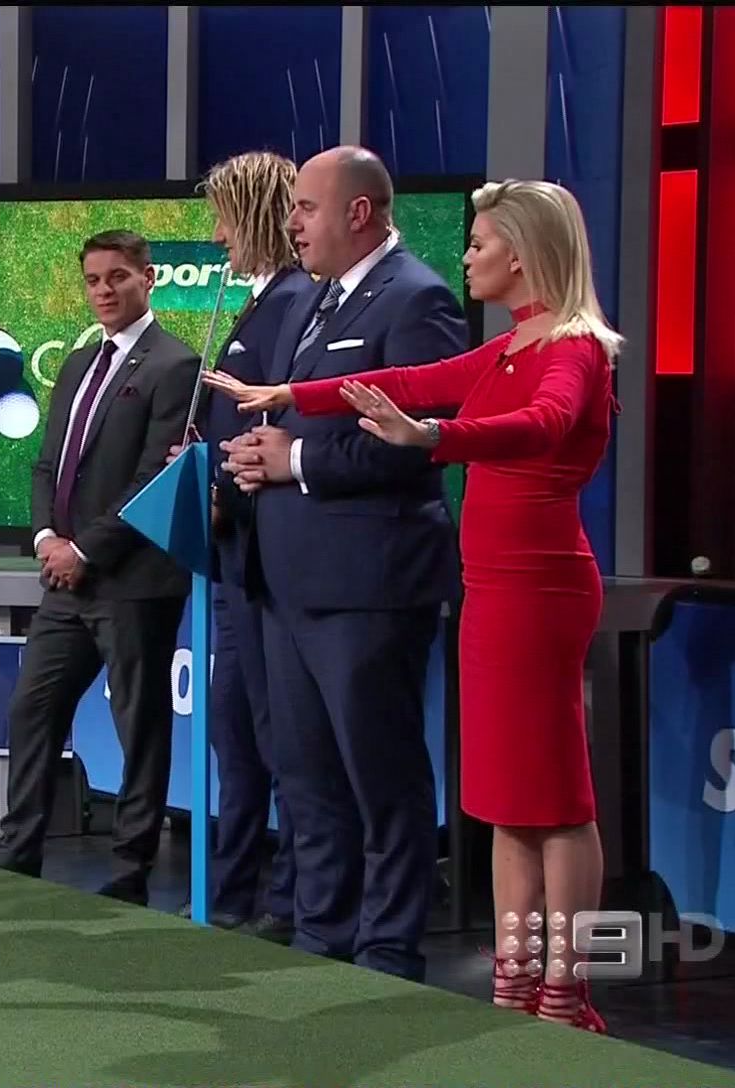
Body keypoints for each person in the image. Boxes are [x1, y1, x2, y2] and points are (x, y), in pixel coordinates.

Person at [205, 179, 620, 1031]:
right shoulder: (506, 346)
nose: (466, 257)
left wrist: (435, 437)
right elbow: (408, 378)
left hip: (541, 590)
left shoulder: (574, 347)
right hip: (491, 588)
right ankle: (514, 983)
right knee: (506, 800)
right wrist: (292, 396)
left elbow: (543, 426)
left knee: (555, 797)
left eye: (481, 243)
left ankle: (566, 990)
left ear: (523, 254)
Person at [218, 146, 467, 981]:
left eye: (305, 207)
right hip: (288, 583)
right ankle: (322, 938)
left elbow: (417, 442)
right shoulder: (316, 300)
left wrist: (294, 462)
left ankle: (388, 949)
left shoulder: (419, 299)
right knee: (307, 776)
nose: (291, 223)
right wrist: (259, 455)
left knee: (380, 776)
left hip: (368, 585)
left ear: (359, 213)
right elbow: (302, 421)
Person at [0, 230, 200, 905]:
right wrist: (46, 539)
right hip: (63, 582)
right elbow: (47, 465)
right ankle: (17, 851)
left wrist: (85, 550)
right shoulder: (79, 364)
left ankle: (130, 867)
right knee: (32, 709)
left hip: (132, 582)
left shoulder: (176, 364)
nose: (105, 291)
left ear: (148, 278)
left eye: (118, 276)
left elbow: (151, 480)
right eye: (93, 280)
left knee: (139, 726)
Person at [170, 151, 319, 938]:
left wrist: (225, 488)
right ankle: (231, 895)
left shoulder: (292, 303)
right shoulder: (258, 302)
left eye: (226, 218)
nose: (219, 236)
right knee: (236, 734)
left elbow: (283, 428)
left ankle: (289, 903)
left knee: (277, 738)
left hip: (266, 561)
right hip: (233, 562)